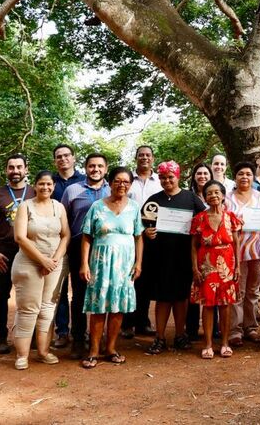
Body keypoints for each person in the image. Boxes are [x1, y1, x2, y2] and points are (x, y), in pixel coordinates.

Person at [79, 166, 143, 369]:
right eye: (118, 180)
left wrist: (139, 263)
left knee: (117, 307)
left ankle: (111, 349)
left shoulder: (134, 207)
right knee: (99, 307)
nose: (122, 185)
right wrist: (84, 263)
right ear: (110, 182)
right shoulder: (97, 206)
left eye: (126, 181)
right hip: (100, 263)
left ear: (130, 185)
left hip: (124, 265)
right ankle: (94, 351)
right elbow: (87, 236)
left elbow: (139, 237)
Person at [141, 161, 206, 355]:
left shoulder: (191, 198)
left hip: (184, 257)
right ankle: (159, 337)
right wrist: (147, 232)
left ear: (178, 176)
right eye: (162, 177)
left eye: (170, 176)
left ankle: (180, 335)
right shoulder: (154, 200)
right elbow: (141, 226)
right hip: (160, 257)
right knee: (162, 299)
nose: (167, 180)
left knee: (181, 298)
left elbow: (204, 221)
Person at [10, 170, 70, 369]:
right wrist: (42, 260)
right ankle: (22, 355)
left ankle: (44, 351)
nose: (45, 187)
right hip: (29, 264)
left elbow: (65, 235)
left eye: (49, 184)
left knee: (48, 307)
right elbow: (20, 237)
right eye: (41, 184)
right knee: (28, 308)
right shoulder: (25, 207)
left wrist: (54, 259)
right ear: (34, 185)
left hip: (55, 264)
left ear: (53, 187)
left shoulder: (59, 207)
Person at [0, 153, 35, 354]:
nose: (15, 171)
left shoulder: (35, 191)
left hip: (30, 252)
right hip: (4, 254)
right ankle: (1, 338)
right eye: (11, 167)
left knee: (30, 297)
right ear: (6, 170)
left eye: (19, 167)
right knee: (1, 295)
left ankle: (29, 335)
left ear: (26, 169)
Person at [60, 153, 110, 360]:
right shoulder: (73, 190)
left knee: (105, 293)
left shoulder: (113, 189)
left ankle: (100, 339)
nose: (95, 169)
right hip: (78, 247)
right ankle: (78, 339)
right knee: (79, 294)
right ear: (86, 168)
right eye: (91, 166)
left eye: (99, 166)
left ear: (106, 169)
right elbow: (64, 221)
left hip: (107, 249)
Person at [226, 161, 260, 347]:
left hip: (259, 250)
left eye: (248, 174)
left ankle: (251, 328)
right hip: (235, 252)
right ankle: (235, 331)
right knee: (237, 291)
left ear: (253, 177)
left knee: (254, 291)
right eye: (241, 174)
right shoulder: (227, 199)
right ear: (235, 177)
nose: (244, 177)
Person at [190, 180, 242, 359]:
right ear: (204, 197)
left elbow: (236, 243)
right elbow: (194, 246)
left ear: (222, 195)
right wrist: (195, 268)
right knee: (208, 305)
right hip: (206, 265)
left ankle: (225, 343)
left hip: (227, 265)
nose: (213, 195)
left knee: (225, 304)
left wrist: (237, 267)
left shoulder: (231, 217)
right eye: (209, 193)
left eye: (216, 192)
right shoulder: (199, 219)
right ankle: (208, 344)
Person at [123, 145, 163, 339]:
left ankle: (142, 322)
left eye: (148, 155)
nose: (144, 158)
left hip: (153, 236)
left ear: (153, 159)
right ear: (136, 158)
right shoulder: (128, 181)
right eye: (141, 155)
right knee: (129, 278)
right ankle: (126, 322)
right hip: (129, 235)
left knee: (146, 280)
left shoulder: (160, 182)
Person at [50, 144, 83, 349]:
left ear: (73, 158)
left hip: (81, 243)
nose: (63, 159)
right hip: (56, 243)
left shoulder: (84, 181)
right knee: (59, 289)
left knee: (81, 289)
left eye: (66, 155)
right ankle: (62, 331)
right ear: (55, 161)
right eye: (59, 156)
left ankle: (82, 331)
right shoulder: (49, 183)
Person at [186, 161, 213, 340]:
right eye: (199, 174)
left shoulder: (216, 194)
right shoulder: (187, 196)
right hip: (192, 244)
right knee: (194, 287)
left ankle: (214, 328)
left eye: (205, 174)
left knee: (213, 288)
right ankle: (192, 328)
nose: (202, 176)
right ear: (194, 177)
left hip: (212, 249)